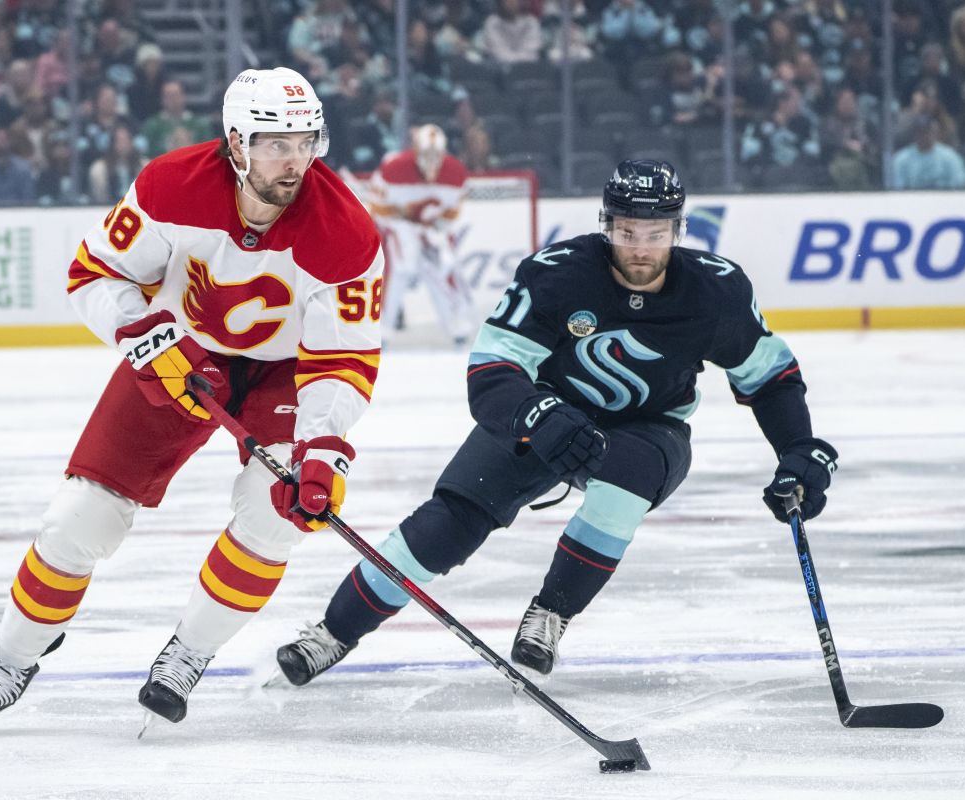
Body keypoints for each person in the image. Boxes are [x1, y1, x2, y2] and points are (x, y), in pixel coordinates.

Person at [273, 159, 838, 684]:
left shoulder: (718, 291)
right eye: (625, 231)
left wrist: (798, 449)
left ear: (678, 229)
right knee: (448, 523)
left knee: (626, 483)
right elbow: (492, 368)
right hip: (547, 411)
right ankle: (334, 632)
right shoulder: (558, 273)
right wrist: (536, 413)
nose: (640, 249)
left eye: (655, 233)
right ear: (605, 224)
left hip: (651, 427)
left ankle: (551, 613)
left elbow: (770, 376)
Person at [0, 66, 385, 735]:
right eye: (274, 143)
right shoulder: (170, 184)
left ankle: (188, 653)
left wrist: (323, 452)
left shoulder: (346, 232)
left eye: (305, 141)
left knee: (276, 517)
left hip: (284, 376)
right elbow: (95, 274)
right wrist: (143, 331)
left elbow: (341, 359)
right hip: (175, 354)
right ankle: (11, 660)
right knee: (78, 518)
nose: (293, 161)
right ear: (236, 143)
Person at [367, 123, 473, 344]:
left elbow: (451, 215)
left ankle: (456, 324)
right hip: (398, 226)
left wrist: (435, 226)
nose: (432, 159)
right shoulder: (393, 169)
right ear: (415, 150)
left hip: (433, 228)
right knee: (402, 266)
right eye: (427, 153)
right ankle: (382, 328)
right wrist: (402, 218)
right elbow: (377, 209)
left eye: (436, 154)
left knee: (442, 266)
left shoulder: (456, 173)